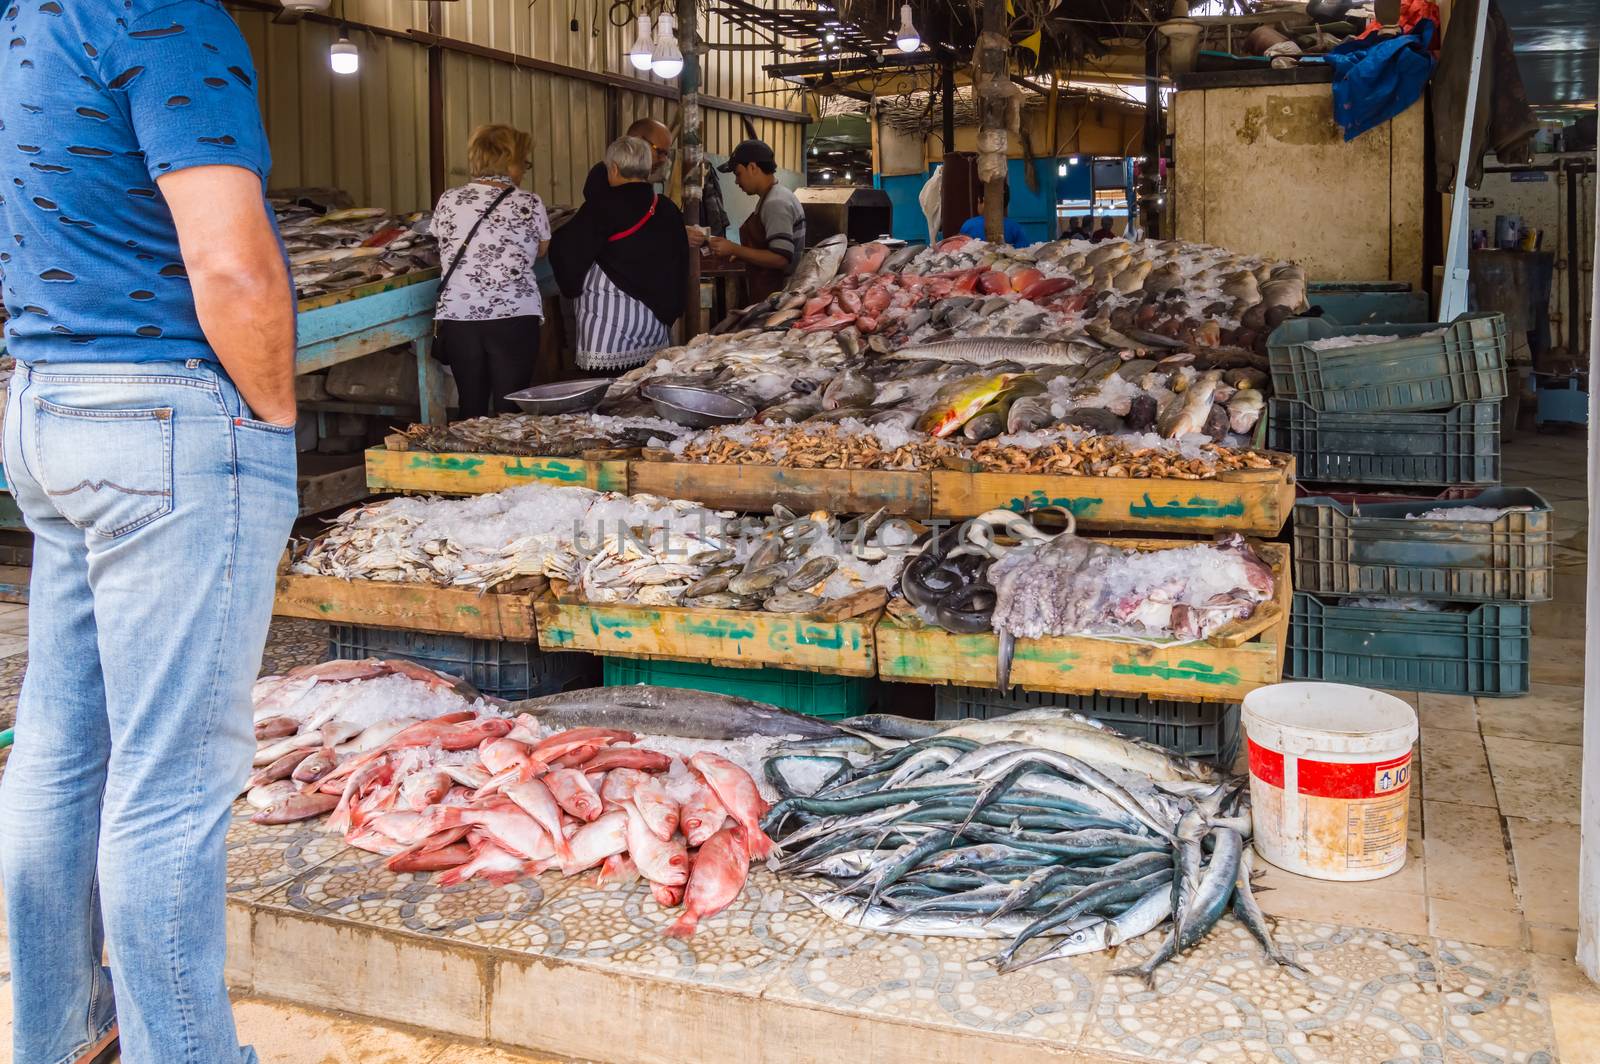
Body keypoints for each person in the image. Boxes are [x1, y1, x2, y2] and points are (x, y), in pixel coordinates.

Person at [0, 4, 299, 1063]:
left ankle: (64, 1035)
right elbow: (232, 264)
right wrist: (271, 417)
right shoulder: (165, 15)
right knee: (172, 778)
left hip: (47, 400)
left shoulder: (28, 20)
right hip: (162, 416)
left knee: (59, 750)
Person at [429, 124, 551, 418]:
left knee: (471, 404)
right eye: (524, 162)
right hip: (513, 315)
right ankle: (507, 462)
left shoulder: (448, 199)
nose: (524, 170)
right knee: (510, 407)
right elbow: (542, 250)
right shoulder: (529, 203)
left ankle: (470, 462)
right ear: (509, 161)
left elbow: (440, 240)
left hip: (461, 314)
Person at [550, 137, 689, 374]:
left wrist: (571, 286)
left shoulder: (600, 207)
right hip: (654, 325)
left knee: (608, 398)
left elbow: (567, 253)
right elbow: (681, 264)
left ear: (613, 168)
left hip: (608, 329)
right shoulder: (666, 208)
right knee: (645, 392)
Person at [700, 139, 807, 303]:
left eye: (738, 174)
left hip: (780, 298)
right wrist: (742, 255)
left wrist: (735, 249)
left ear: (752, 167)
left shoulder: (776, 202)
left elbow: (781, 258)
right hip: (770, 294)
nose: (736, 181)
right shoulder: (772, 197)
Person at [583, 117, 674, 201]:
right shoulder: (602, 175)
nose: (663, 160)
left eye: (666, 154)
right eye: (659, 151)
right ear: (636, 141)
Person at [959, 183, 1029, 246]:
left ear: (984, 201)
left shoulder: (969, 225)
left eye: (978, 202)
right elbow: (1023, 251)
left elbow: (959, 248)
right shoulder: (1015, 227)